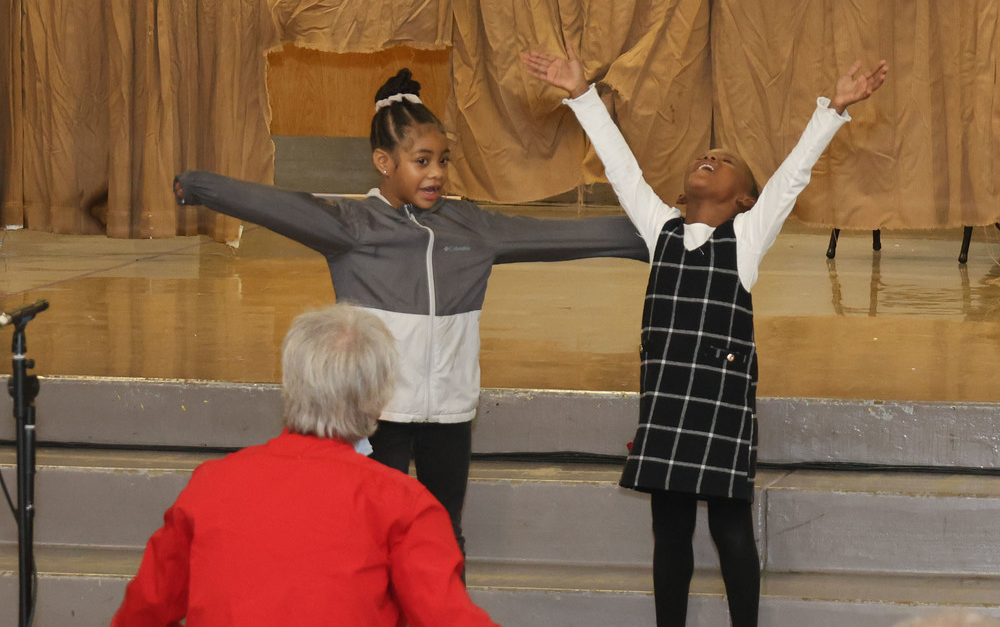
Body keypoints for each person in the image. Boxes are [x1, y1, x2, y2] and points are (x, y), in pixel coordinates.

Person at [173, 68, 647, 555]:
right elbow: (272, 204)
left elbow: (565, 237)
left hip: (450, 416)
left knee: (443, 537)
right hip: (376, 415)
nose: (437, 173)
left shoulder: (471, 228)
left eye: (443, 160)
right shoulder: (352, 227)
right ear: (384, 161)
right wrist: (198, 187)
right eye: (422, 161)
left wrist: (661, 237)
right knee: (374, 539)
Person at [523, 45, 887, 627]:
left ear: (745, 198)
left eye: (723, 160)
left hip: (718, 410)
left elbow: (792, 178)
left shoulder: (745, 240)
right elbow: (620, 166)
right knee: (669, 536)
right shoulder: (659, 228)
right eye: (704, 154)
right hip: (667, 406)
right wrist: (581, 96)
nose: (708, 158)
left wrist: (833, 110)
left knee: (730, 531)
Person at [110, 303, 501, 627]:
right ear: (378, 397)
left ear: (291, 385)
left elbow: (145, 610)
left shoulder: (213, 482)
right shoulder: (402, 502)